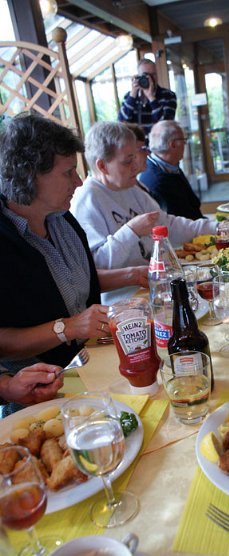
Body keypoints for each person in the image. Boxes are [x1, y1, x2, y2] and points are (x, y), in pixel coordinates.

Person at [0, 114, 148, 375]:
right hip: (42, 384)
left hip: (91, 356)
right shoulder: (5, 241)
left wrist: (133, 274)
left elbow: (70, 281)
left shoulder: (61, 218)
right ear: (29, 176)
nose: (79, 182)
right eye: (69, 172)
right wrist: (68, 327)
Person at [71, 122, 216, 304]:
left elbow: (169, 225)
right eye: (127, 161)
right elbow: (96, 267)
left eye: (135, 157)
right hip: (125, 302)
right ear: (102, 166)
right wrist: (131, 231)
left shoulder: (131, 188)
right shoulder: (87, 199)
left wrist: (216, 227)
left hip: (155, 288)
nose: (136, 166)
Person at [139, 120, 206, 220]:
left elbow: (193, 205)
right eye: (184, 140)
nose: (185, 144)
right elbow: (181, 221)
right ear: (173, 144)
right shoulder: (157, 181)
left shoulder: (170, 167)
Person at [117, 58, 177, 137]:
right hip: (136, 147)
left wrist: (151, 97)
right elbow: (121, 123)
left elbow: (165, 126)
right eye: (145, 75)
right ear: (138, 77)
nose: (150, 78)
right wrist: (133, 95)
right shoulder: (129, 96)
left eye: (153, 75)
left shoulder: (169, 96)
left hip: (159, 146)